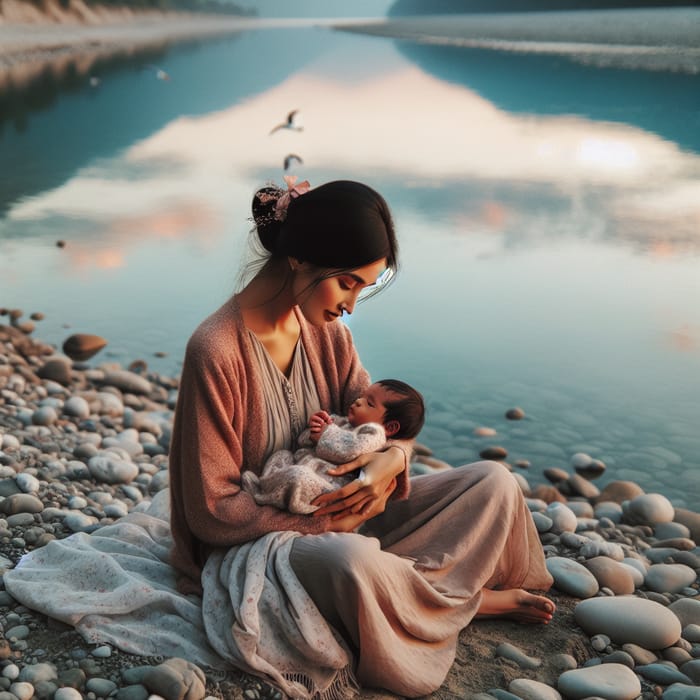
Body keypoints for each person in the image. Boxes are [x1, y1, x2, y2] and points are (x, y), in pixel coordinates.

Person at [168, 177, 555, 699]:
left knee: (493, 481)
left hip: (344, 508)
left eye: (362, 289)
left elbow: (387, 427)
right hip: (262, 544)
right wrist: (332, 520)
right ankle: (464, 601)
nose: (351, 305)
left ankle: (408, 592)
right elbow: (210, 512)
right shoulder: (215, 350)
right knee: (349, 562)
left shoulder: (329, 333)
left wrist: (390, 463)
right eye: (348, 283)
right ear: (300, 258)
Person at [242, 379, 426, 514]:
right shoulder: (344, 422)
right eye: (362, 396)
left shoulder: (374, 434)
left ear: (389, 427)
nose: (358, 401)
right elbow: (304, 442)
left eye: (369, 403)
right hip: (306, 465)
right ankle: (265, 485)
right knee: (282, 455)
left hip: (328, 483)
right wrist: (314, 430)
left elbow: (350, 450)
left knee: (298, 476)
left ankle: (262, 496)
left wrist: (325, 433)